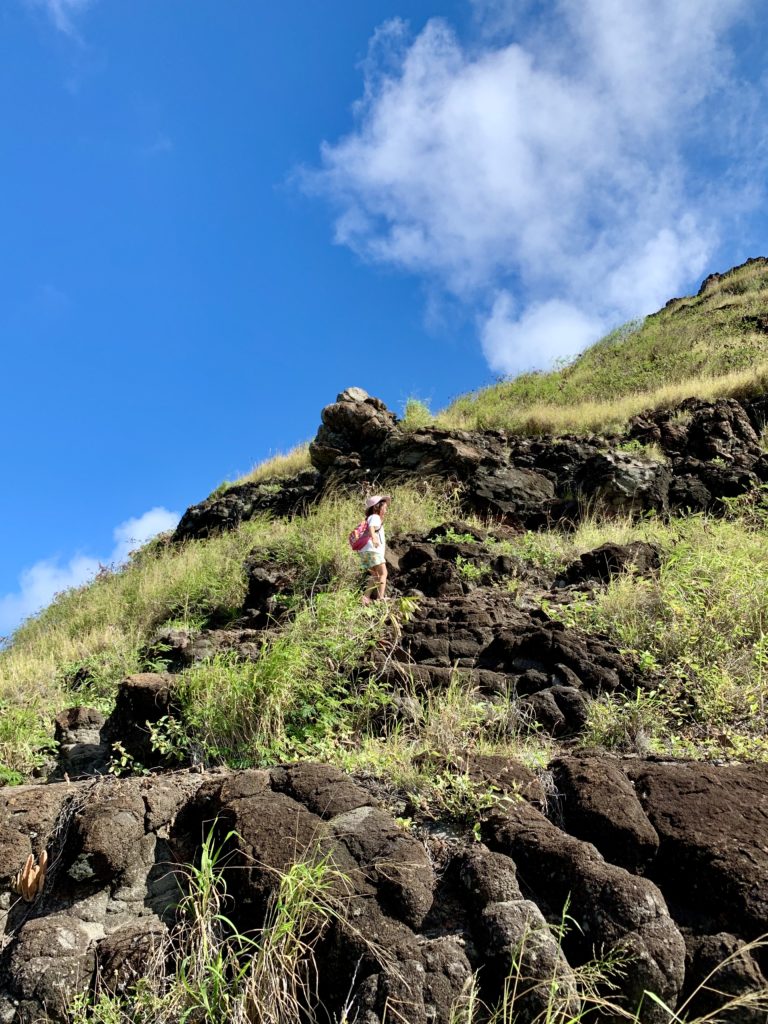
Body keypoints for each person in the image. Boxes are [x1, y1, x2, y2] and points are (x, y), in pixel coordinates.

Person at [359, 495, 390, 604]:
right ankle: (380, 598)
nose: (386, 510)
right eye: (385, 507)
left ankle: (365, 598)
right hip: (372, 550)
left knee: (375, 575)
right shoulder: (374, 517)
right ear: (378, 507)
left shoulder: (370, 517)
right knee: (383, 573)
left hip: (365, 552)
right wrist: (374, 538)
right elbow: (372, 527)